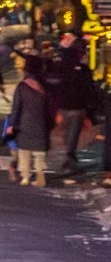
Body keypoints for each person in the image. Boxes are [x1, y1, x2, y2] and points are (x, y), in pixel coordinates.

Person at [45, 30, 92, 172]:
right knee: (72, 134)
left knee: (66, 133)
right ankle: (69, 159)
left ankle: (66, 158)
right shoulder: (81, 68)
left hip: (65, 106)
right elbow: (87, 88)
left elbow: (54, 85)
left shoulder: (59, 66)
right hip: (76, 107)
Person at [5, 57, 53, 186]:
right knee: (39, 152)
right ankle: (40, 173)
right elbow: (50, 107)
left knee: (24, 152)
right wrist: (50, 123)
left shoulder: (22, 86)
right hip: (41, 122)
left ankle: (25, 176)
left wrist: (12, 125)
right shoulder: (45, 86)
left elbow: (16, 107)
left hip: (24, 123)